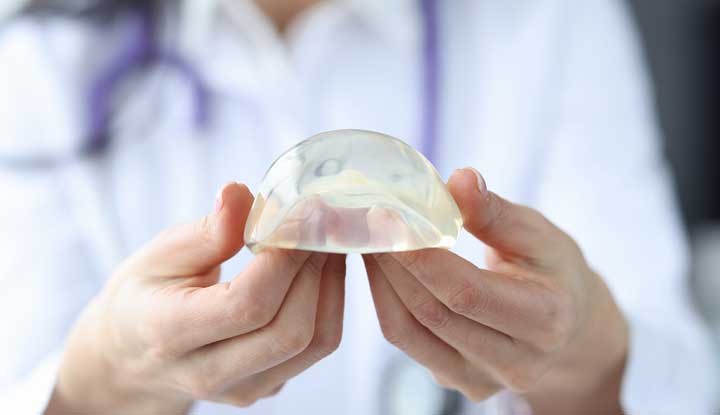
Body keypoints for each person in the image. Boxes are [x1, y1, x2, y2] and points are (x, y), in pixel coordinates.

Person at [0, 0, 717, 414]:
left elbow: (681, 384)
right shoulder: (28, 58)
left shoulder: (549, 19)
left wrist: (584, 359)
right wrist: (101, 382)